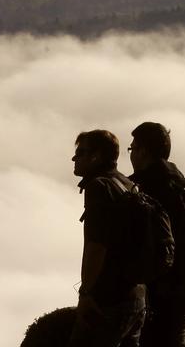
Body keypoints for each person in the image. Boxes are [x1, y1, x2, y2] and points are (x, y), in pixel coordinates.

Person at [70, 129, 147, 347]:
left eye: (81, 152)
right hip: (137, 297)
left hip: (108, 299)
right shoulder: (128, 185)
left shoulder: (99, 187)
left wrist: (85, 293)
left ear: (96, 156)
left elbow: (97, 246)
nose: (75, 158)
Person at [128, 122, 185, 347]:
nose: (130, 155)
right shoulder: (184, 186)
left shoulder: (147, 189)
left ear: (144, 151)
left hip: (156, 294)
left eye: (133, 149)